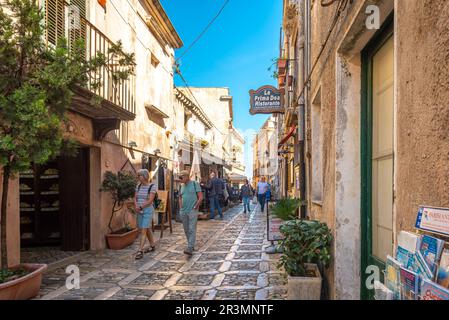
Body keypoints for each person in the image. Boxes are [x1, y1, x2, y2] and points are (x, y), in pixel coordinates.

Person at [134, 169, 157, 260]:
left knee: (143, 230)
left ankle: (140, 250)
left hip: (147, 210)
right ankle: (152, 245)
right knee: (146, 228)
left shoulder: (152, 186)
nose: (138, 177)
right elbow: (135, 197)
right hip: (139, 210)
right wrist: (136, 206)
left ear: (144, 176)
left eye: (139, 175)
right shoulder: (138, 186)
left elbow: (150, 200)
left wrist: (141, 207)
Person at [178, 170, 203, 255]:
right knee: (186, 229)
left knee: (192, 228)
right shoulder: (181, 186)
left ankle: (190, 246)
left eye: (181, 177)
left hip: (193, 210)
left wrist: (196, 206)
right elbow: (180, 197)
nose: (180, 179)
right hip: (184, 210)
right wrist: (181, 208)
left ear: (186, 176)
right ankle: (191, 245)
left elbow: (200, 197)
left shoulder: (195, 184)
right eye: (179, 177)